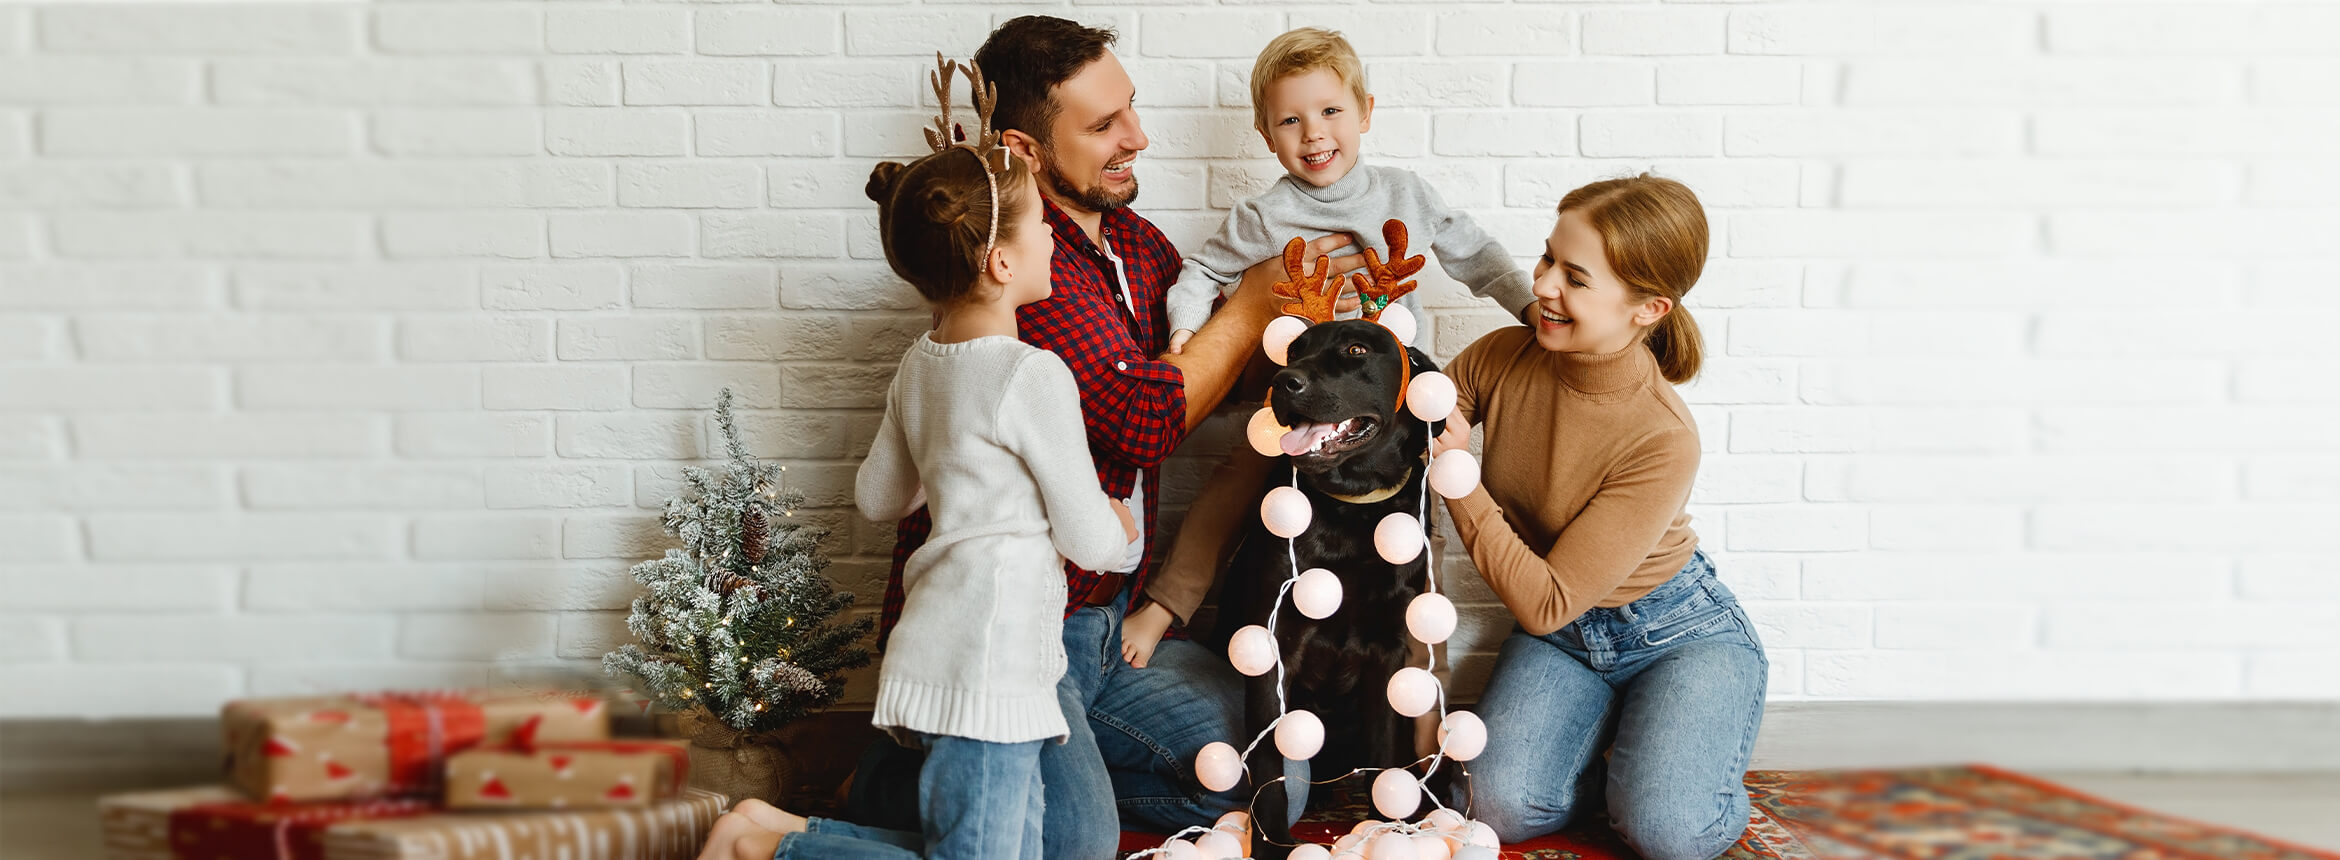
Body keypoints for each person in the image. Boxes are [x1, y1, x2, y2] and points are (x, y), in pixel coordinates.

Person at [866, 16, 1367, 859]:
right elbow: (1148, 418)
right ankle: (950, 778)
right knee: (1077, 846)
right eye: (1103, 126)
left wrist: (1309, 331)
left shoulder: (1134, 244)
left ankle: (990, 772)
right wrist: (1250, 304)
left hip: (1112, 623)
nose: (1138, 136)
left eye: (1128, 108)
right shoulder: (1019, 267)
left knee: (1282, 774)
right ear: (1025, 149)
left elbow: (1208, 383)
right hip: (1024, 624)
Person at [697, 59, 1136, 860]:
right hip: (991, 662)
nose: (1051, 239)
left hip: (934, 647)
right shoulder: (1032, 373)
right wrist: (1124, 524)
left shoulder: (920, 363)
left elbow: (878, 497)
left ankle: (780, 828)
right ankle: (757, 850)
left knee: (1021, 845)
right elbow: (1089, 540)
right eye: (1040, 225)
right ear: (1002, 264)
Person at [1432, 175, 1768, 860]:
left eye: (1575, 278)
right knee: (1495, 807)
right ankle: (1623, 749)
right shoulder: (1506, 355)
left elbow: (1545, 601)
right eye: (1549, 258)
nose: (1544, 284)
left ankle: (1679, 765)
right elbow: (1443, 401)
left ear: (1648, 308)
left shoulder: (1663, 437)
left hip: (1677, 631)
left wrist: (1457, 475)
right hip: (1568, 640)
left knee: (1667, 832)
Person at [1162, 27, 1535, 355]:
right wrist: (1186, 327)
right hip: (1315, 385)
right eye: (1291, 120)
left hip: (1402, 380)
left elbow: (1477, 254)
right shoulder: (1262, 217)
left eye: (1330, 111)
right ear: (1268, 137)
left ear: (1364, 114)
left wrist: (1528, 304)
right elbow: (1204, 270)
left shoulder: (1408, 194)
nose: (1313, 133)